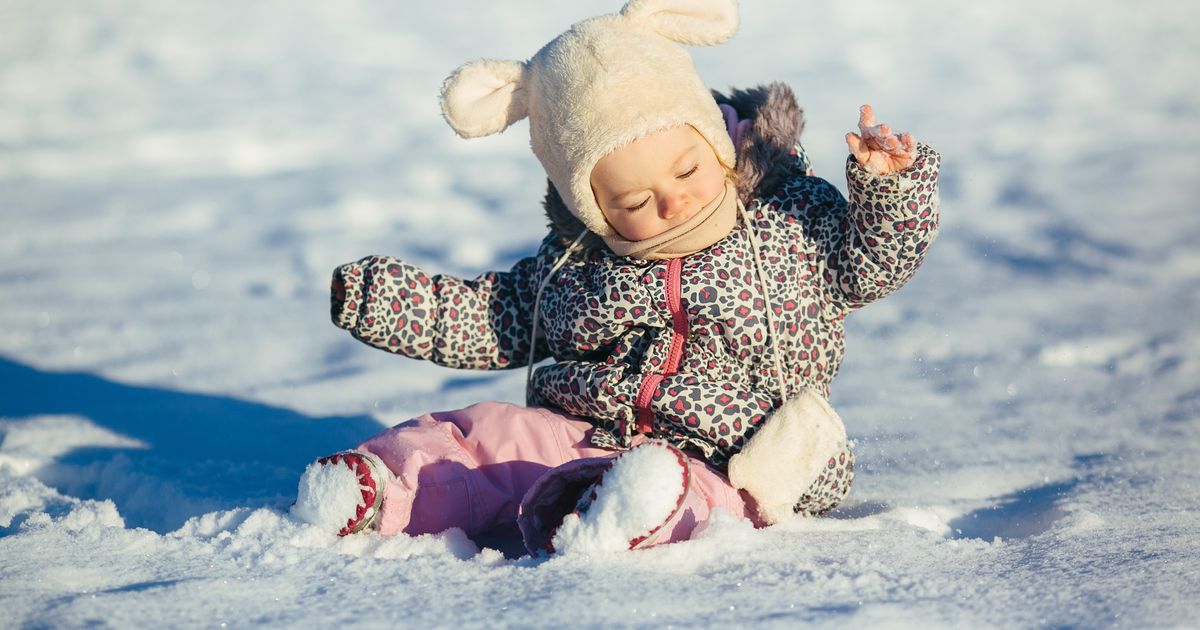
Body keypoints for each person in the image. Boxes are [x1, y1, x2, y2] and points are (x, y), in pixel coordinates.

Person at [292, 0, 940, 555]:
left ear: (714, 139)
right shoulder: (578, 261)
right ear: (590, 206)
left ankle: (641, 506)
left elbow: (871, 265)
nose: (671, 202)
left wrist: (888, 190)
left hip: (734, 448)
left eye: (687, 171)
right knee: (492, 436)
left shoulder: (789, 217)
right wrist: (385, 301)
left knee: (705, 492)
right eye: (633, 203)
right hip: (581, 430)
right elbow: (497, 316)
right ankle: (378, 486)